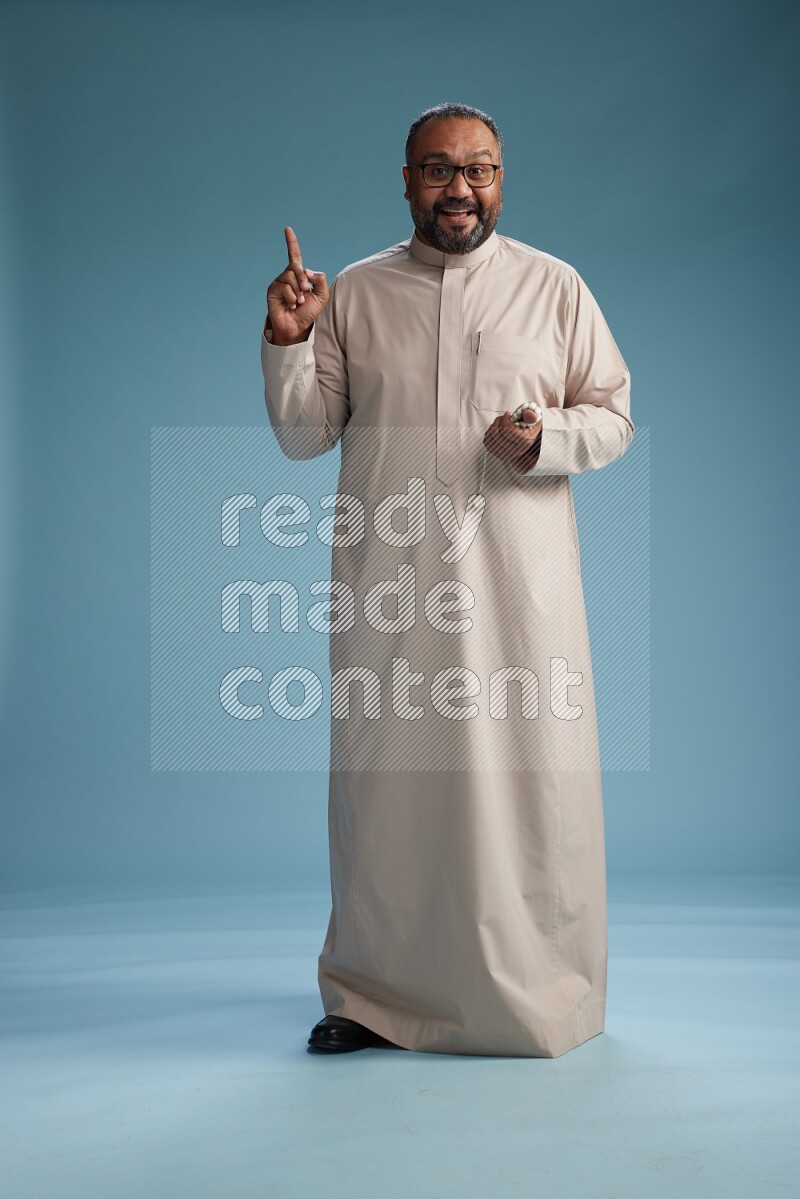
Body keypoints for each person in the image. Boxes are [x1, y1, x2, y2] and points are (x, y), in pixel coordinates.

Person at [260, 102, 634, 1057]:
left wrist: (544, 437)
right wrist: (291, 338)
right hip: (390, 586)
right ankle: (373, 995)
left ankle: (541, 992)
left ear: (502, 178)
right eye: (438, 170)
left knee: (528, 787)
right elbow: (306, 435)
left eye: (479, 170)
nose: (459, 189)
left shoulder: (554, 287)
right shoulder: (357, 289)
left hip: (518, 591)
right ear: (406, 180)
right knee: (386, 791)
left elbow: (615, 415)